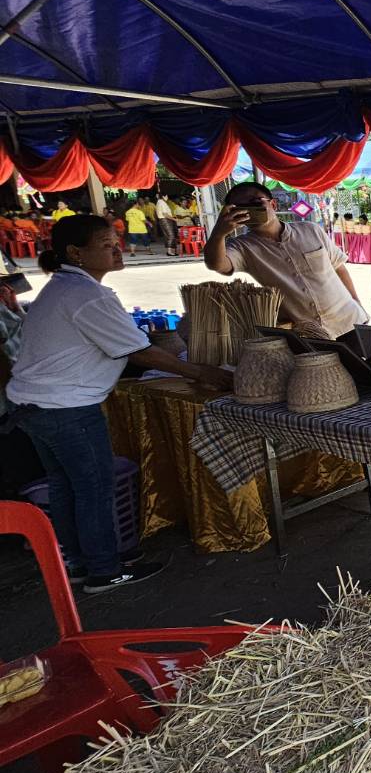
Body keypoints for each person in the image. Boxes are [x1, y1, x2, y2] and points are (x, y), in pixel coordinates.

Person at [4, 215, 230, 592]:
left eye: (116, 241)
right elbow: (141, 353)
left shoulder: (64, 287)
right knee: (92, 487)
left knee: (67, 486)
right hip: (65, 408)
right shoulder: (85, 295)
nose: (117, 249)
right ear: (76, 253)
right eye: (106, 244)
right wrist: (200, 372)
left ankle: (80, 562)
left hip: (34, 404)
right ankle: (104, 570)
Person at [205, 181, 368, 340]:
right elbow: (217, 264)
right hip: (308, 337)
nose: (250, 209)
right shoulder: (243, 247)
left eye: (255, 202)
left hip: (349, 321)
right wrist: (219, 233)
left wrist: (357, 302)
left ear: (273, 205)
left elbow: (338, 267)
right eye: (241, 207)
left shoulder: (311, 230)